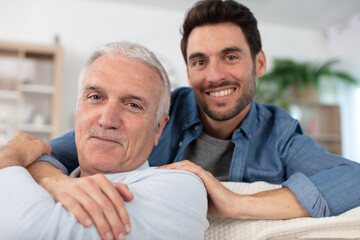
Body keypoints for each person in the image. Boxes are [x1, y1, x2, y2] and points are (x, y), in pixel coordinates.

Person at [28, 0, 360, 236]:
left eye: (230, 57)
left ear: (259, 64)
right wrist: (57, 182)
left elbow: (351, 179)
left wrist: (236, 203)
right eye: (200, 61)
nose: (214, 75)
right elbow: (48, 153)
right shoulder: (152, 115)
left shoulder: (280, 132)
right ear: (188, 70)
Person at [0, 42, 209, 240]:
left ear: (158, 129)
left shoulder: (181, 188)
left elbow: (32, 233)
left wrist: (9, 158)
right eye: (95, 97)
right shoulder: (35, 176)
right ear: (78, 111)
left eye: (133, 105)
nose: (107, 120)